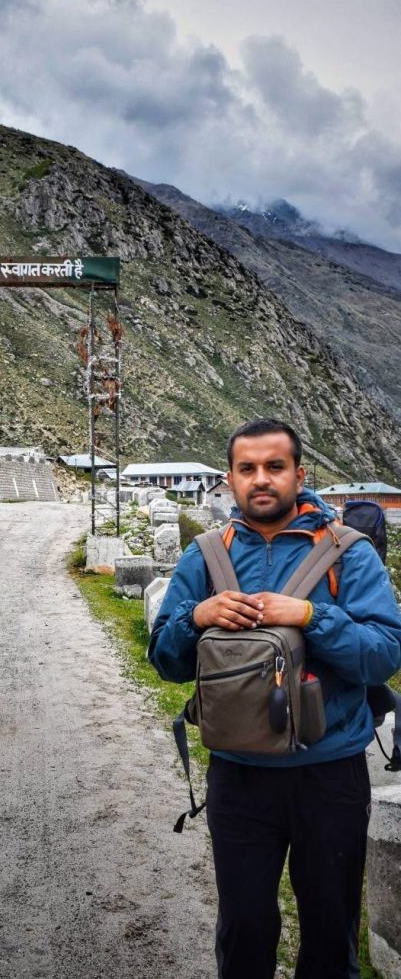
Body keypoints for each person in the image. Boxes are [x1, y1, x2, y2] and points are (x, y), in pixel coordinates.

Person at [149, 419, 401, 979]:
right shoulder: (205, 556)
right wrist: (195, 618)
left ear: (298, 474)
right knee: (243, 930)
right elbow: (166, 663)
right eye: (248, 469)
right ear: (232, 479)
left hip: (330, 775)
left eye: (274, 467)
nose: (261, 480)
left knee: (332, 934)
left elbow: (384, 655)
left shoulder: (349, 555)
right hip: (238, 779)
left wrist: (312, 616)